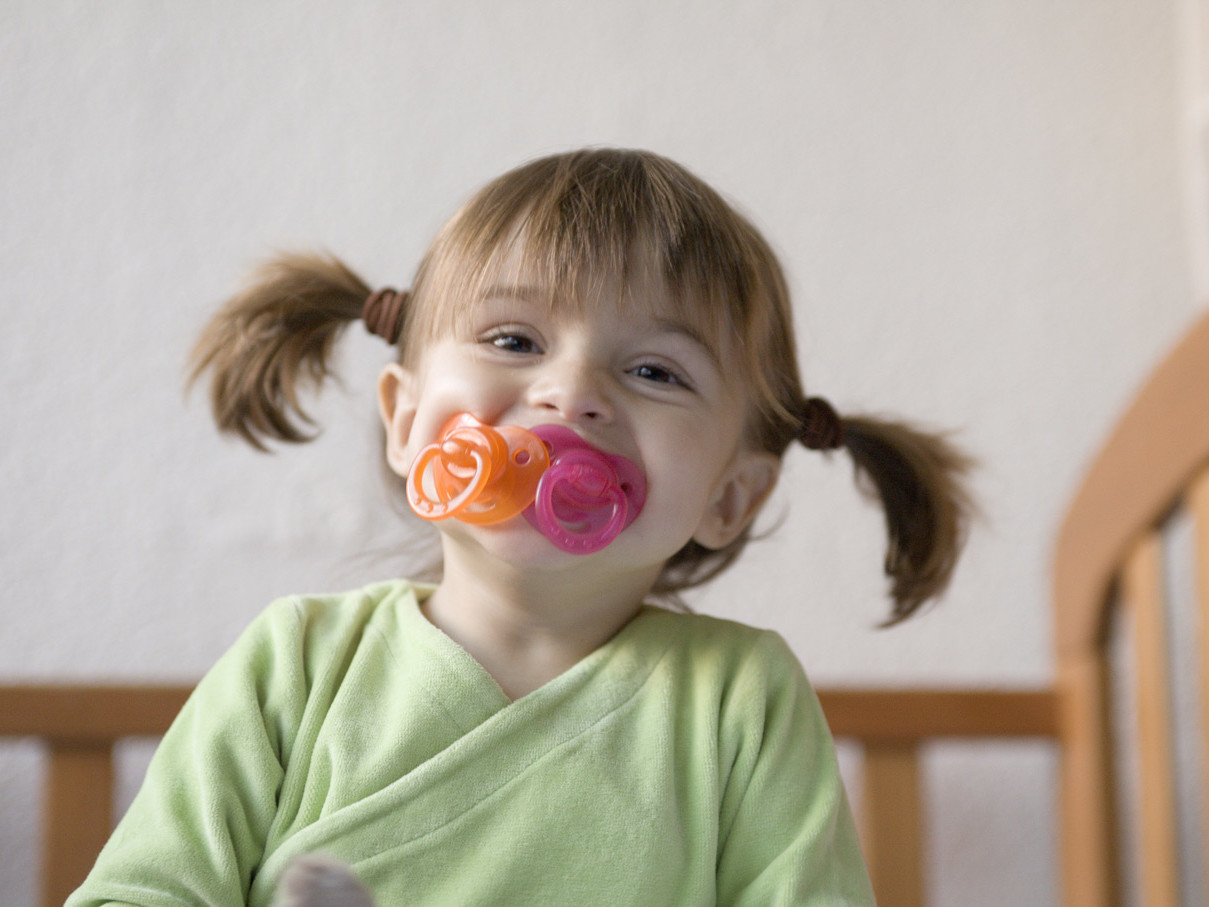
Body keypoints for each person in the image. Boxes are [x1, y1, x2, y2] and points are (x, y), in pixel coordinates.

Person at [68, 148, 971, 906]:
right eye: (512, 340)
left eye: (655, 370)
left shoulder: (740, 698)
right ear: (409, 421)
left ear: (729, 494)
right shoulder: (297, 663)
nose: (571, 393)